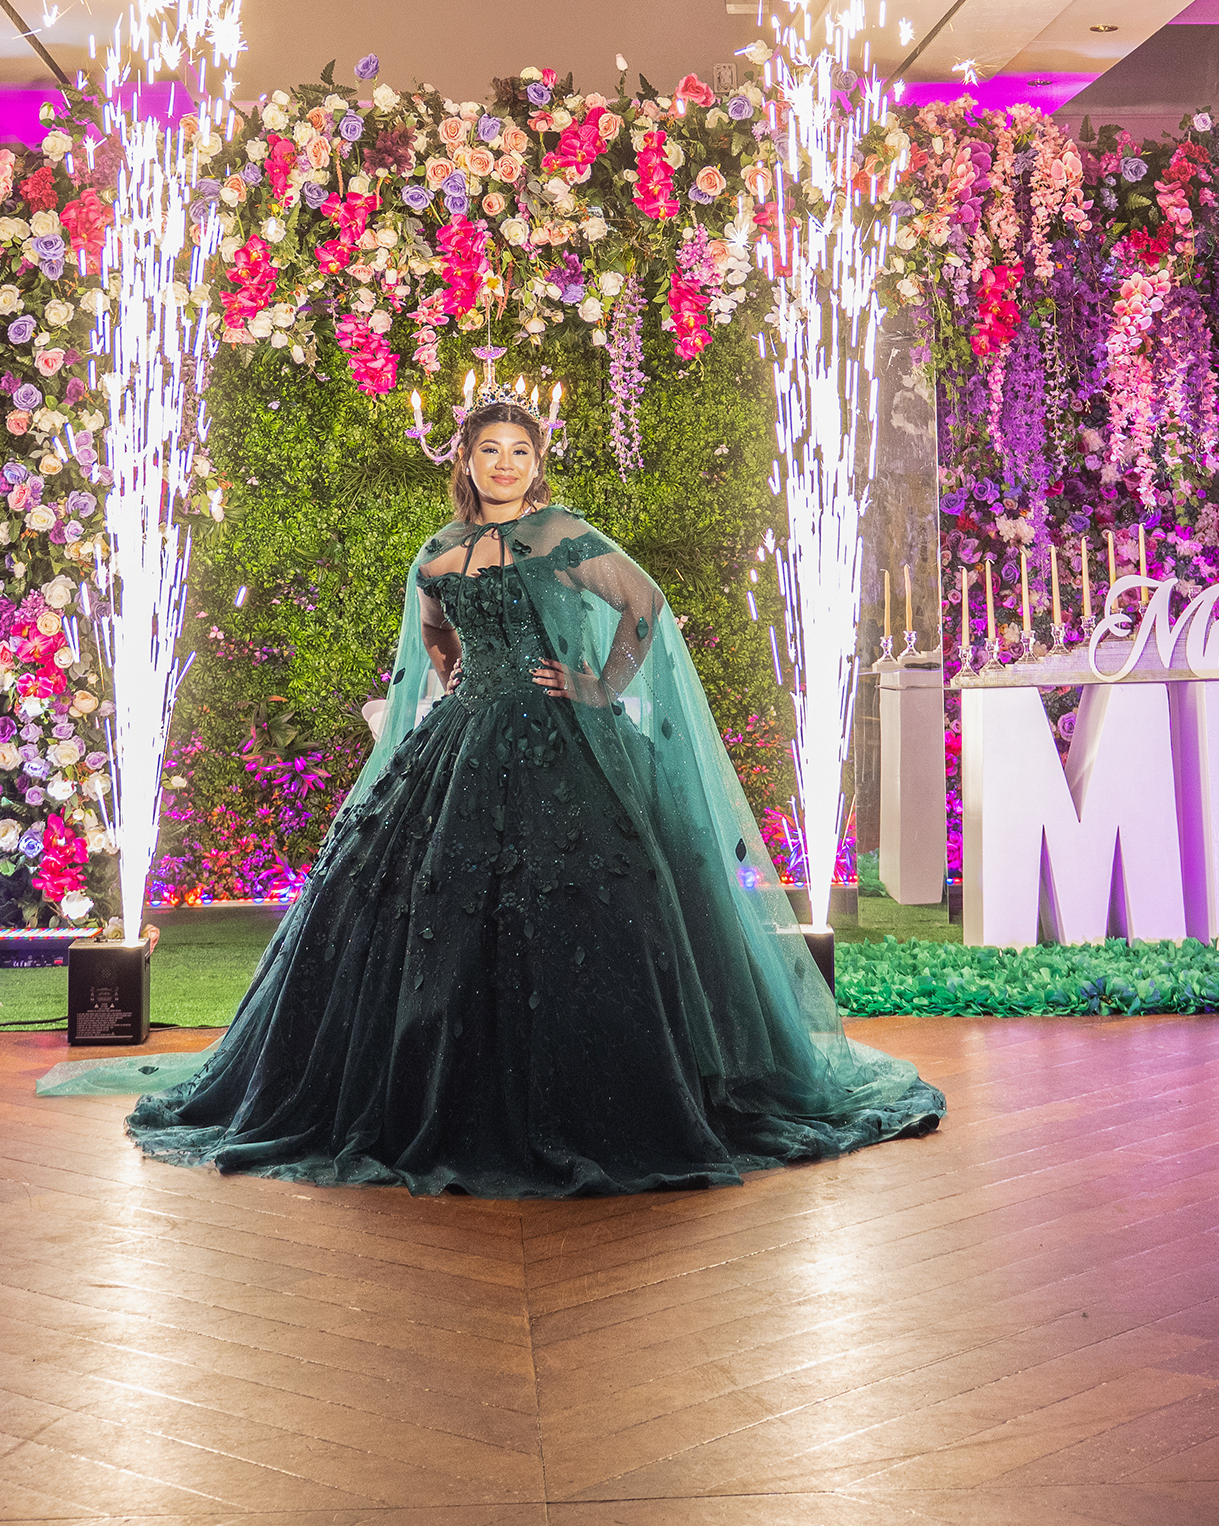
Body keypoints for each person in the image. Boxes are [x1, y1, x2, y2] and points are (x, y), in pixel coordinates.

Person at [62, 398, 942, 1195]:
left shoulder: (560, 533)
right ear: (467, 460)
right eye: (493, 450)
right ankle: (438, 1095)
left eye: (521, 450)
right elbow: (437, 638)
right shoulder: (437, 553)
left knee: (604, 900)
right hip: (465, 739)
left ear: (536, 462)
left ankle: (616, 1097)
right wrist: (465, 680)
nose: (508, 463)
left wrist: (599, 686)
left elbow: (645, 603)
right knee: (421, 908)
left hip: (567, 740)